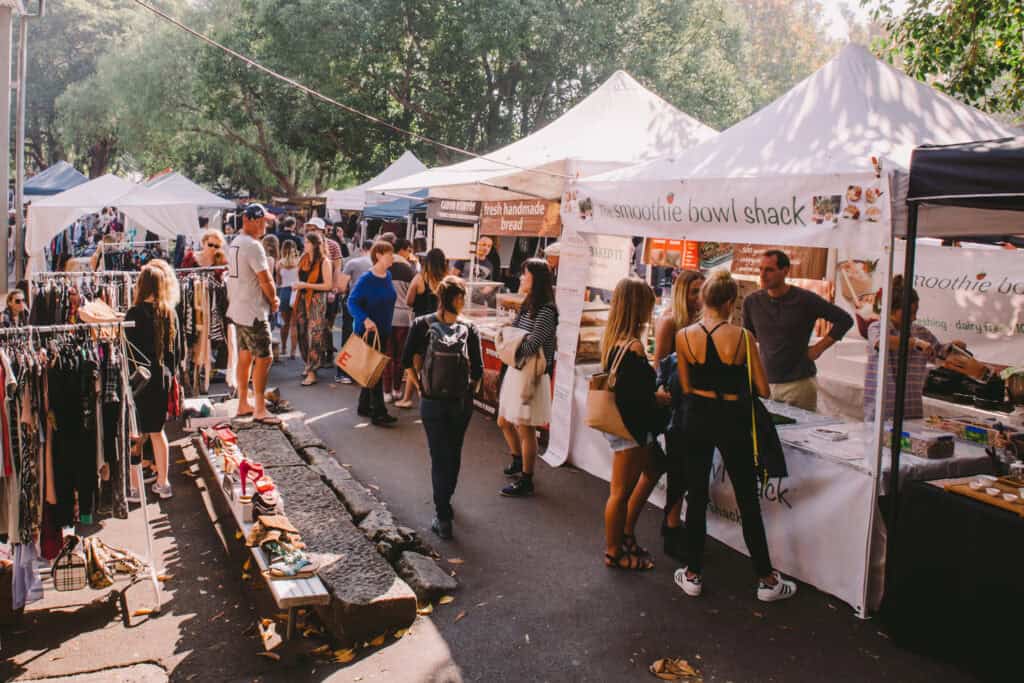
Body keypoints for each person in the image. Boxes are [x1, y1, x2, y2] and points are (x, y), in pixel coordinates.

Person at [674, 270, 797, 602]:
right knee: (747, 498)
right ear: (731, 302)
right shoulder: (743, 338)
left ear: (704, 299)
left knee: (696, 495)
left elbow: (685, 386)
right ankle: (766, 579)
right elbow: (762, 388)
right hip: (732, 418)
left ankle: (693, 573)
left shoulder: (684, 335)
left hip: (697, 416)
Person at [624, 270, 704, 561]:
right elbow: (659, 367)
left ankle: (669, 525)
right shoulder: (670, 321)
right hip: (674, 404)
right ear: (683, 292)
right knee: (672, 467)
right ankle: (668, 525)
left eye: (702, 291)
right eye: (694, 291)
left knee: (681, 468)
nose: (699, 297)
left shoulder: (700, 321)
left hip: (695, 403)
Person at [402, 276, 483, 540]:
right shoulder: (470, 328)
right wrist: (469, 390)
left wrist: (420, 386)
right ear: (457, 299)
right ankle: (446, 499)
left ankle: (443, 516)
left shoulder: (421, 324)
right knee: (454, 452)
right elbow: (478, 371)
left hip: (432, 402)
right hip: (460, 403)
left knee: (438, 456)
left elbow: (405, 362)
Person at [599, 277, 670, 571]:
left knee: (654, 468)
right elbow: (640, 398)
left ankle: (625, 534)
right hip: (631, 429)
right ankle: (614, 551)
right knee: (619, 492)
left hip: (625, 426)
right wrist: (661, 398)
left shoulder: (614, 341)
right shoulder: (634, 347)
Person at [742, 250, 853, 411]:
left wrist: (818, 348)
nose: (763, 275)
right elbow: (749, 338)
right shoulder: (751, 302)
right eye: (760, 269)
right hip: (765, 383)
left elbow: (844, 320)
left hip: (798, 384)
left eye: (769, 270)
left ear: (785, 271)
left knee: (801, 434)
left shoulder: (804, 299)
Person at [498, 258, 557, 497]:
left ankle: (527, 477)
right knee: (504, 420)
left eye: (526, 275)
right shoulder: (528, 303)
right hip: (517, 369)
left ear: (537, 280)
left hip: (529, 372)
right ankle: (518, 459)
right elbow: (517, 332)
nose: (521, 278)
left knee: (525, 427)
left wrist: (510, 346)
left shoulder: (546, 310)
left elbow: (532, 343)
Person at [864, 276, 959, 422]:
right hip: (882, 411)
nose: (914, 318)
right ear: (892, 309)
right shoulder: (877, 328)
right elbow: (881, 342)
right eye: (909, 313)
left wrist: (953, 348)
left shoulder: (921, 332)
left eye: (916, 312)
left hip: (911, 409)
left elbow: (939, 353)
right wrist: (914, 343)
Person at [125, 261, 180, 501]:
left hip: (138, 380)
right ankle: (163, 482)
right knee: (158, 432)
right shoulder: (169, 312)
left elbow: (128, 352)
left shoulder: (133, 314)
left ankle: (135, 488)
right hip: (161, 378)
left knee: (134, 434)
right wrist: (170, 372)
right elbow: (175, 352)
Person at [226, 204, 281, 425]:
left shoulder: (235, 243)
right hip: (253, 310)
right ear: (249, 219)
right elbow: (265, 279)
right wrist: (274, 299)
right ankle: (259, 407)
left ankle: (243, 402)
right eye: (261, 221)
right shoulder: (253, 246)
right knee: (264, 357)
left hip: (239, 307)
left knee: (246, 355)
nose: (264, 225)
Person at [348, 241, 398, 426]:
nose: (392, 257)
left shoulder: (388, 275)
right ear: (378, 255)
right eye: (389, 254)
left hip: (383, 330)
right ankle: (378, 412)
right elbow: (352, 302)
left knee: (371, 370)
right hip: (369, 332)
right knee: (375, 371)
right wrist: (365, 319)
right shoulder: (366, 279)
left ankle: (364, 405)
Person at [397, 248, 447, 408]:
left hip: (421, 325)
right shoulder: (447, 280)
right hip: (441, 325)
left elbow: (409, 301)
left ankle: (409, 397)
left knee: (414, 363)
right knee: (437, 362)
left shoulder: (419, 278)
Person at [293, 232, 333, 386]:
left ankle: (312, 371)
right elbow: (300, 277)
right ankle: (307, 363)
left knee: (315, 334)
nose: (305, 244)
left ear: (315, 244)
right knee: (301, 331)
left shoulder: (324, 261)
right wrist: (297, 285)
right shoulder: (303, 259)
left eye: (307, 242)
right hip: (302, 298)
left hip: (317, 300)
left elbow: (328, 286)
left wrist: (305, 285)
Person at [336, 239, 375, 385]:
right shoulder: (378, 265)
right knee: (367, 338)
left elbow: (341, 286)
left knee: (349, 336)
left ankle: (344, 373)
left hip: (353, 304)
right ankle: (363, 371)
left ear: (362, 248)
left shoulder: (352, 263)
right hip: (371, 305)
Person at [385, 238, 416, 404]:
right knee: (400, 357)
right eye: (409, 250)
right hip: (404, 318)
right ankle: (397, 389)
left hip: (386, 317)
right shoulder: (409, 270)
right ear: (403, 250)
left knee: (387, 356)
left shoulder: (385, 268)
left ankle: (386, 391)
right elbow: (413, 297)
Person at [276, 240, 301, 360]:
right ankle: (293, 352)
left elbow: (278, 282)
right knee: (294, 324)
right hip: (296, 292)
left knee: (284, 324)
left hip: (284, 292)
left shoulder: (279, 264)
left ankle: (283, 347)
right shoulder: (299, 262)